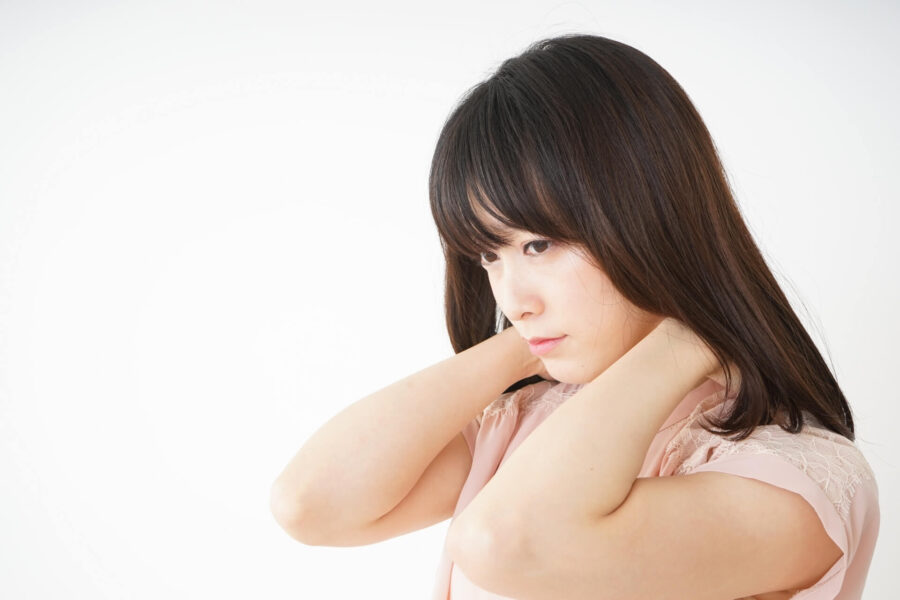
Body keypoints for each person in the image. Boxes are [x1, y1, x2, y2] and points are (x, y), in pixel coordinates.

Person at [270, 33, 879, 599]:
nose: (513, 298)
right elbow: (309, 504)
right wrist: (522, 346)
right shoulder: (525, 423)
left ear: (649, 214)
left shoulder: (795, 478)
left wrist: (693, 333)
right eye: (488, 255)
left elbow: (507, 543)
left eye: (538, 245)